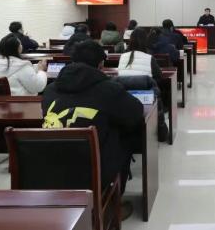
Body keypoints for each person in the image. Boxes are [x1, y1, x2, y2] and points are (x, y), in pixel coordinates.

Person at [41, 40, 143, 220]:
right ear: (101, 64)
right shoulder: (109, 90)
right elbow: (135, 113)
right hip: (92, 169)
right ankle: (110, 206)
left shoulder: (49, 90)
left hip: (49, 164)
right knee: (128, 138)